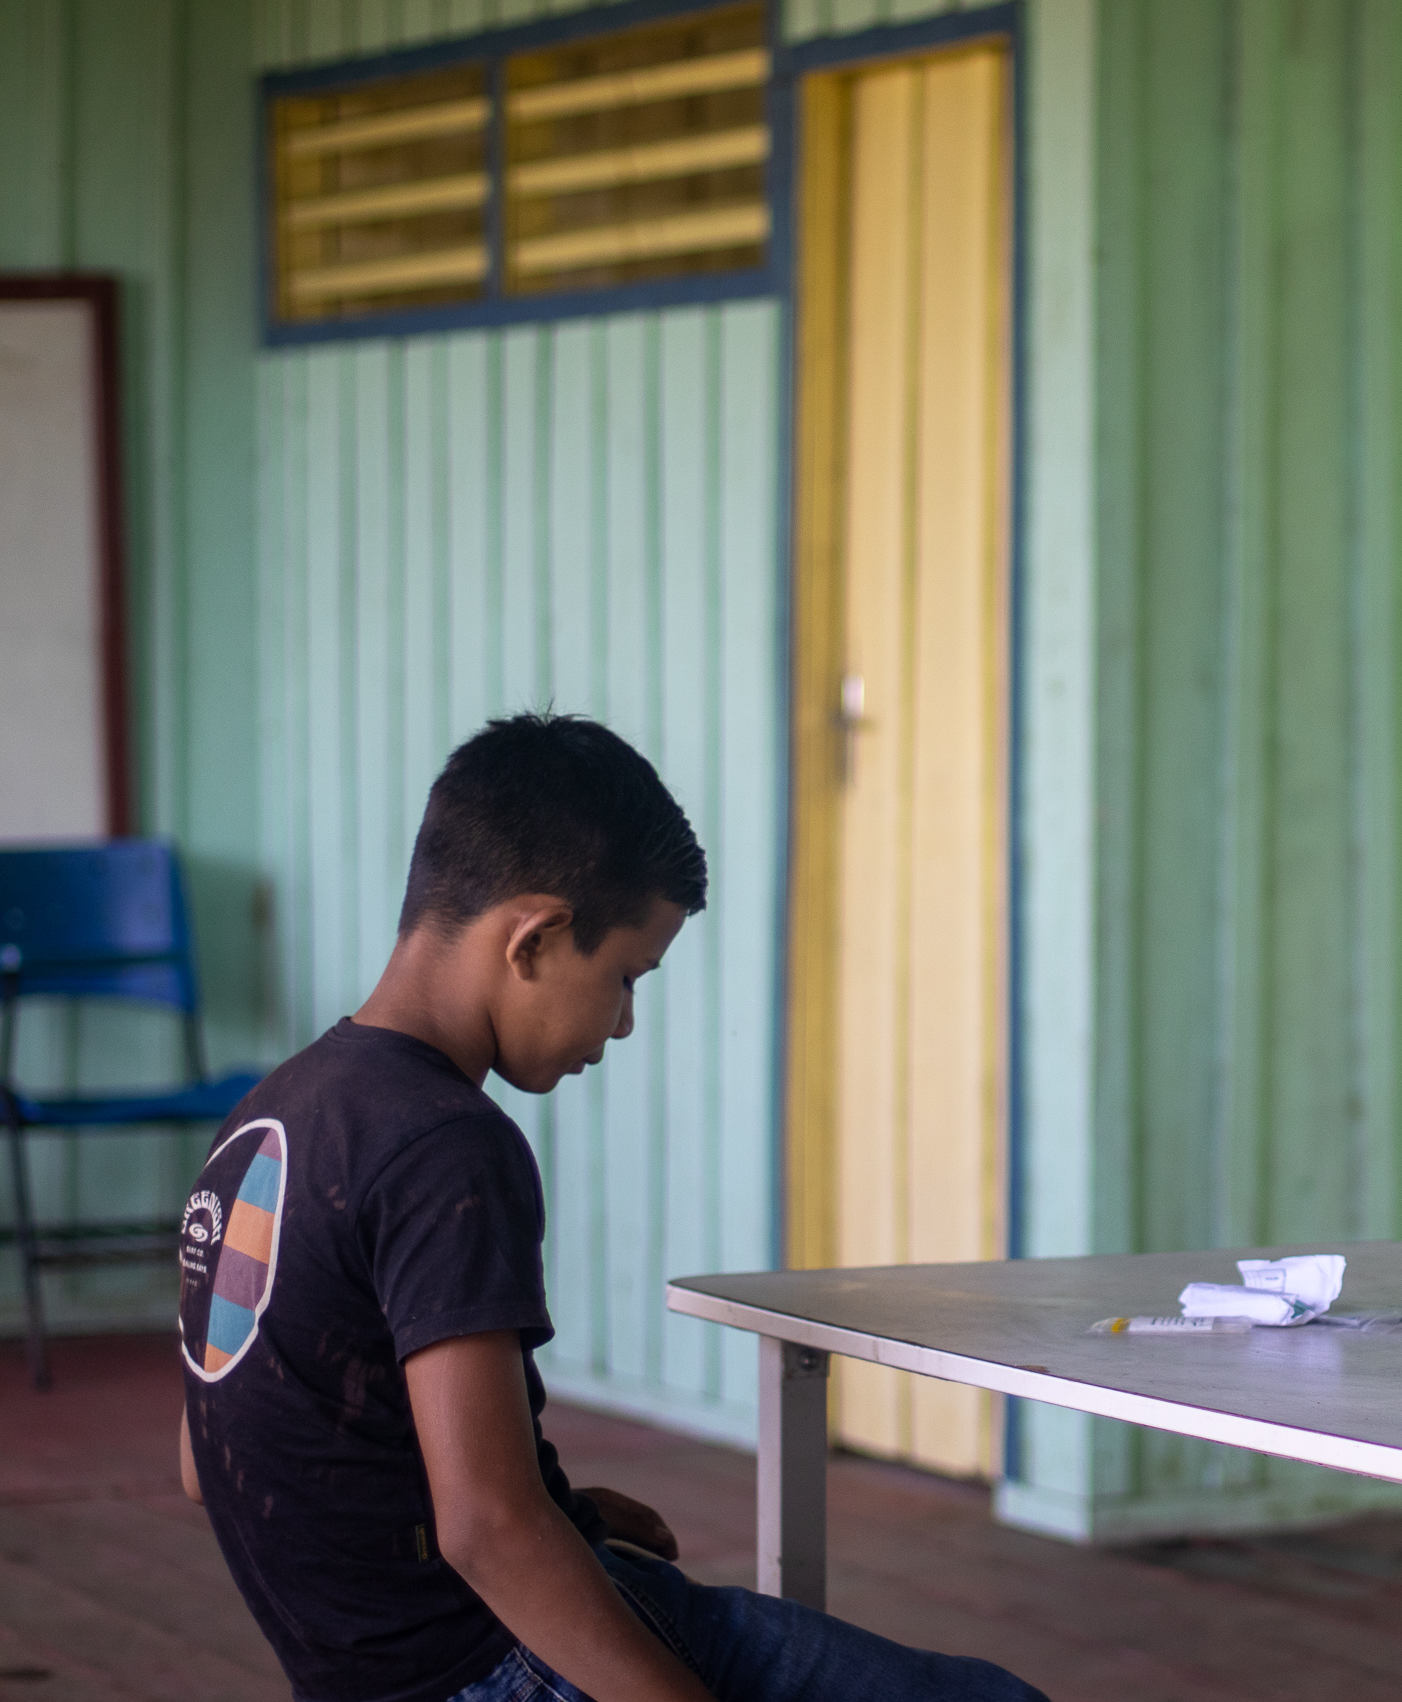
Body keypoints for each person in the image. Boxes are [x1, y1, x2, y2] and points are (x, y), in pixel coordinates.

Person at [177, 713, 1047, 1702]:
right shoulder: (444, 1147)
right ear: (536, 938)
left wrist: (560, 1508)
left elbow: (212, 1459)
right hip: (491, 1666)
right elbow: (489, 1531)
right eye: (625, 977)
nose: (625, 1021)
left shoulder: (266, 1119)